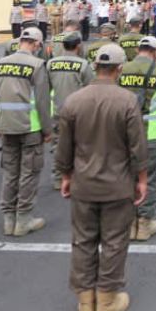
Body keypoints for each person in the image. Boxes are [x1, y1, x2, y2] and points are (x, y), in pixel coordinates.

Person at [55, 43, 148, 311]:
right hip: (117, 184)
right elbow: (137, 146)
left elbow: (64, 147)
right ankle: (106, 301)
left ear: (95, 67)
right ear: (119, 69)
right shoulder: (127, 100)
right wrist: (142, 179)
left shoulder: (74, 100)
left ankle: (86, 303)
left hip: (83, 182)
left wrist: (66, 175)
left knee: (83, 241)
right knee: (114, 242)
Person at [0, 27, 52, 236]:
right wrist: (47, 130)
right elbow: (43, 101)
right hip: (31, 128)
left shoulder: (1, 63)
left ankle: (8, 219)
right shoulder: (37, 65)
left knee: (10, 173)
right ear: (36, 44)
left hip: (6, 125)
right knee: (28, 173)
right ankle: (23, 219)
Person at [119, 36, 156, 240]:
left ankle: (127, 224)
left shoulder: (122, 69)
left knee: (126, 178)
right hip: (153, 134)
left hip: (124, 134)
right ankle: (144, 224)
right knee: (151, 179)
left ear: (137, 49)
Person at [46, 32, 93, 191]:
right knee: (80, 146)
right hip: (79, 113)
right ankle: (76, 178)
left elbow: (46, 88)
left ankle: (58, 178)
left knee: (59, 145)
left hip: (58, 110)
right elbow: (91, 90)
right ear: (78, 46)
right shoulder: (83, 65)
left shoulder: (51, 64)